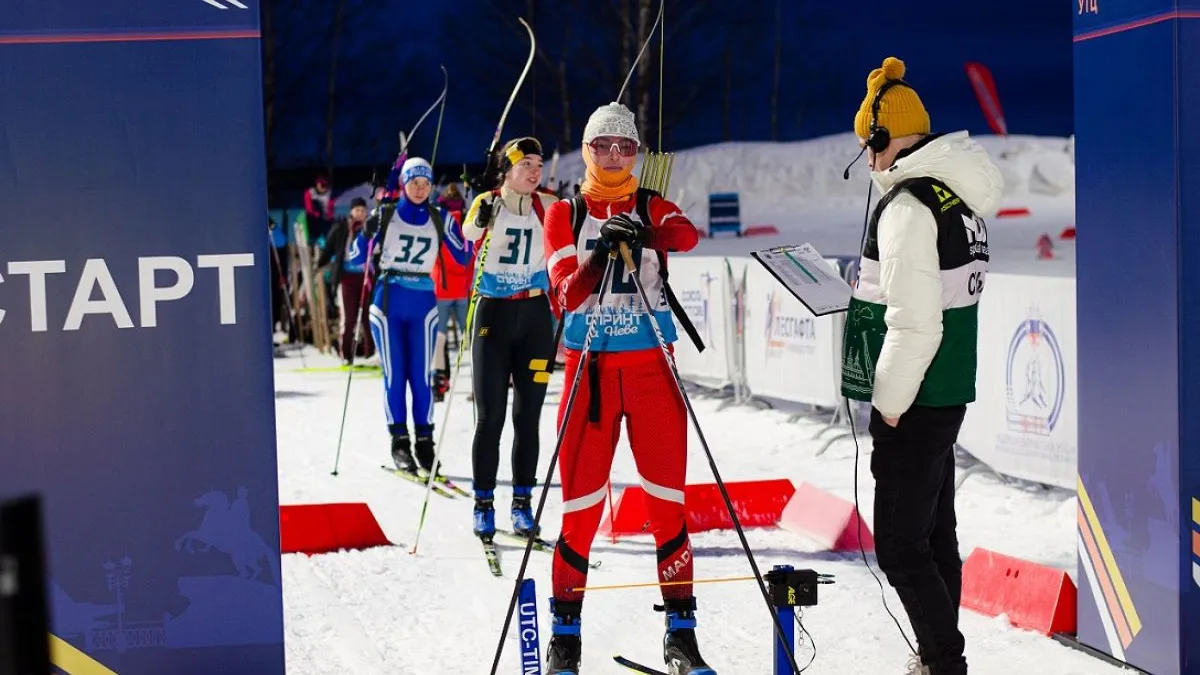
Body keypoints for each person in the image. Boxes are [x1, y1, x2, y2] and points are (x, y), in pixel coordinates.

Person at [839, 57, 1002, 675]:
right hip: (948, 388)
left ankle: (942, 661)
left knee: (903, 549)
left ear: (883, 139)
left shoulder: (908, 207)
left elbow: (914, 324)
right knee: (936, 538)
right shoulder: (953, 195)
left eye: (867, 146)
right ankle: (938, 655)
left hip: (916, 394)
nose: (868, 160)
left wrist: (887, 404)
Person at [542, 102, 713, 675]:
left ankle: (681, 638)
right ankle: (566, 640)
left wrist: (644, 232)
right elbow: (565, 293)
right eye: (602, 146)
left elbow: (687, 235)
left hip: (650, 373)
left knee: (668, 505)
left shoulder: (648, 202)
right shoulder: (564, 212)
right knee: (581, 512)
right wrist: (599, 252)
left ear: (636, 153)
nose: (615, 155)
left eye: (626, 147)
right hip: (588, 375)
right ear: (586, 151)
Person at [460, 137, 559, 541]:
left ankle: (522, 504)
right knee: (491, 417)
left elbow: (585, 216)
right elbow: (468, 230)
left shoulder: (549, 205)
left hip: (535, 317)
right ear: (508, 169)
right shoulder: (489, 200)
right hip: (493, 316)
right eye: (525, 165)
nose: (534, 172)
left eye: (538, 164)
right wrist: (481, 215)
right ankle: (484, 503)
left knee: (528, 417)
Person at [368, 157, 473, 475]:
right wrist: (367, 231)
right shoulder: (387, 214)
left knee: (422, 378)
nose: (420, 188)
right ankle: (399, 442)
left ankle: (424, 445)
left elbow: (464, 253)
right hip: (388, 302)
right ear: (403, 183)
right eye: (414, 182)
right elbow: (357, 253)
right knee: (395, 375)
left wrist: (475, 220)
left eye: (425, 183)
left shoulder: (439, 216)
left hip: (424, 303)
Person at [318, 197, 375, 364]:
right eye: (357, 210)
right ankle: (346, 354)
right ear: (351, 211)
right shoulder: (342, 228)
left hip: (366, 277)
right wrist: (321, 262)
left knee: (367, 316)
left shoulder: (370, 228)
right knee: (349, 317)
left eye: (363, 211)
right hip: (347, 277)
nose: (360, 214)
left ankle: (370, 353)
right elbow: (330, 247)